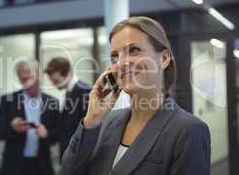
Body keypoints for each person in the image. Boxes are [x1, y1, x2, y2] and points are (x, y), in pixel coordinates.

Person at [60, 17, 211, 175]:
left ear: (164, 58)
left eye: (133, 50)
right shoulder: (108, 122)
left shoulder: (188, 130)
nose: (121, 63)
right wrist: (91, 121)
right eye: (115, 57)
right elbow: (68, 171)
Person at [0, 59, 58, 175]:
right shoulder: (8, 101)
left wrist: (46, 134)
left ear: (39, 76)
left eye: (32, 78)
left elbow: (58, 134)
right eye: (24, 79)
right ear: (19, 80)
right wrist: (12, 127)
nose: (29, 82)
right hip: (14, 166)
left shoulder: (52, 102)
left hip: (43, 166)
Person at [45, 57, 91, 160]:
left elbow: (88, 129)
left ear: (69, 74)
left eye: (56, 81)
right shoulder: (71, 91)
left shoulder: (84, 91)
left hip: (78, 157)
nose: (54, 84)